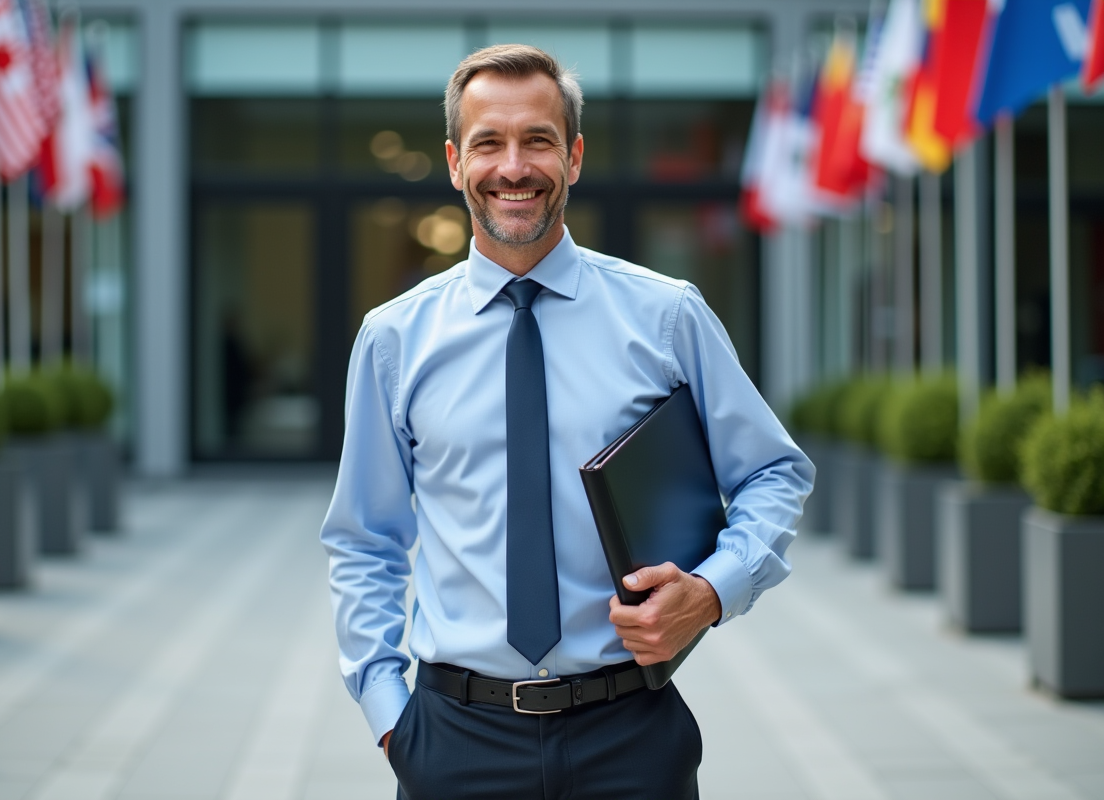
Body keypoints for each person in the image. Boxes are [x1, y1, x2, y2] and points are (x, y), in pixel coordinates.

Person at [320, 44, 814, 800]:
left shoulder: (667, 316)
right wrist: (392, 718)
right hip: (455, 741)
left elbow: (775, 472)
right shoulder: (394, 340)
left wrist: (713, 592)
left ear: (574, 156)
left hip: (631, 736)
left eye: (538, 141)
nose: (512, 166)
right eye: (488, 142)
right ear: (455, 162)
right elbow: (364, 540)